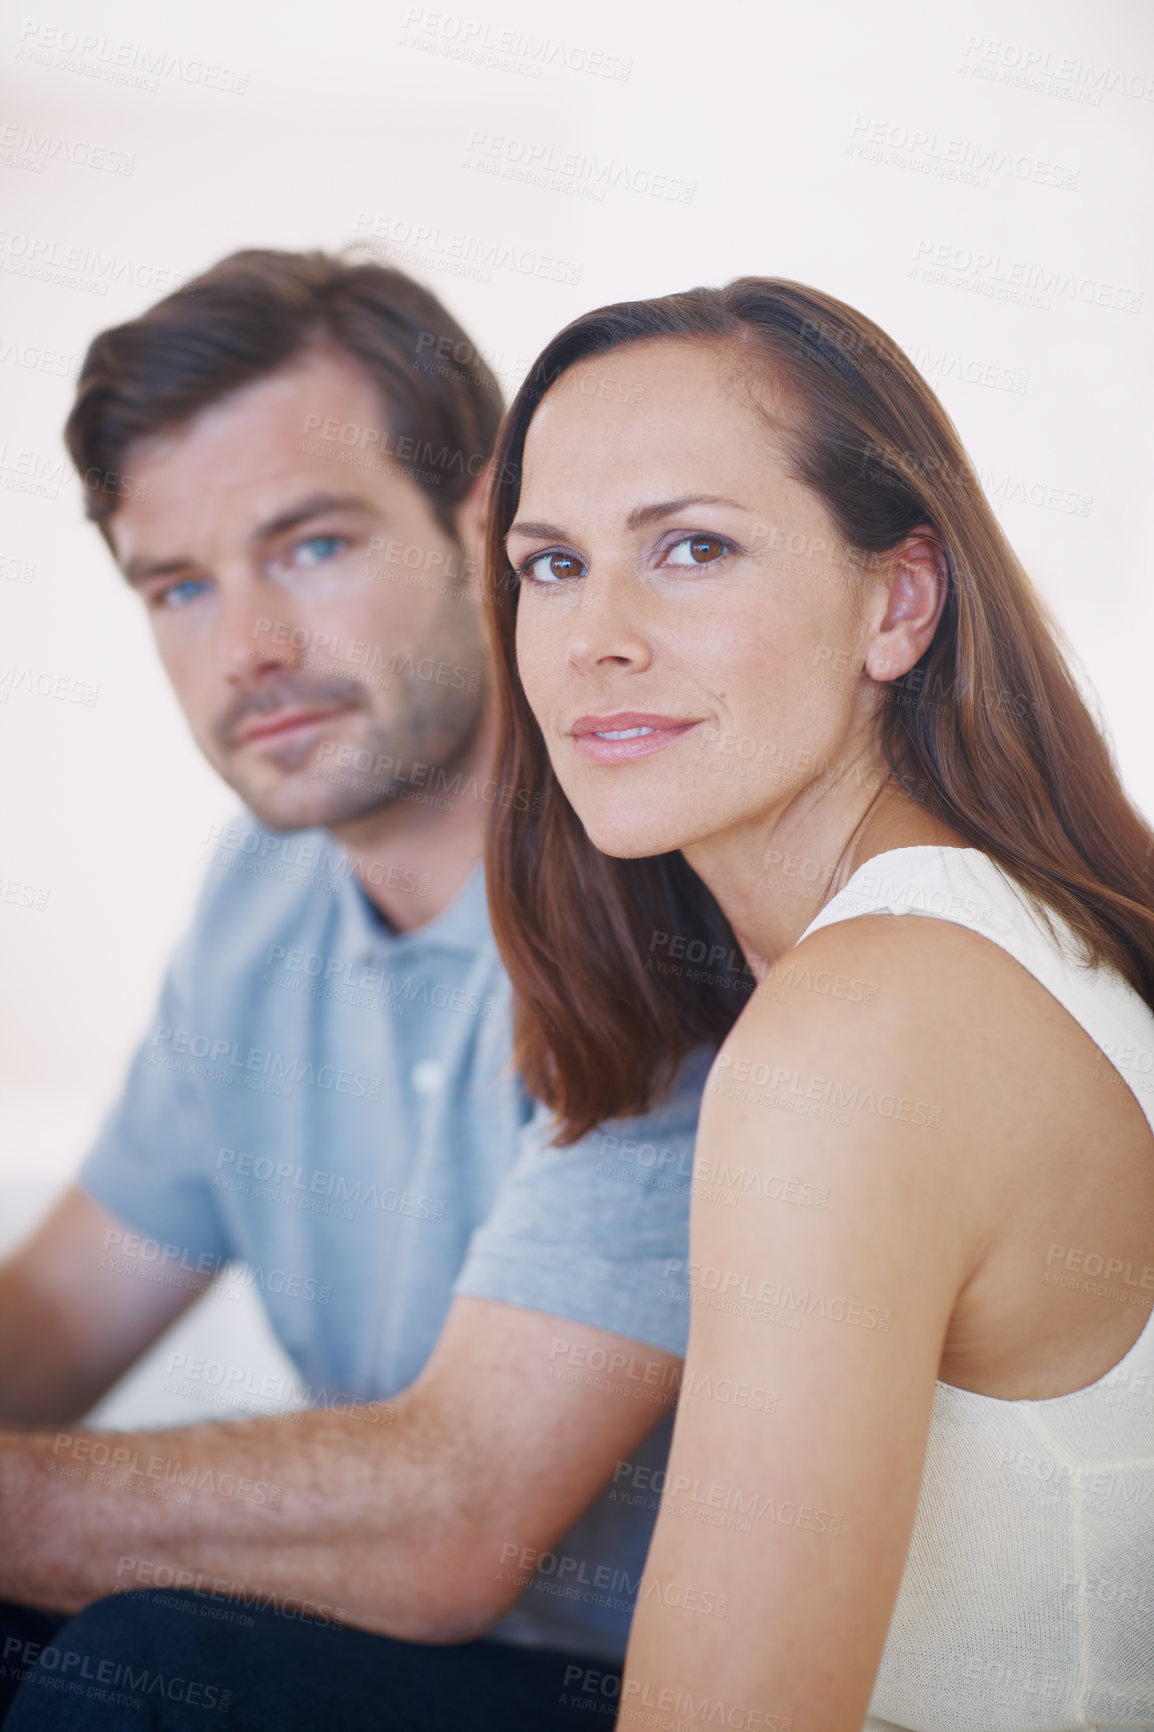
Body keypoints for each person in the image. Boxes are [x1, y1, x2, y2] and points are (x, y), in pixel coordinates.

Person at [0, 251, 714, 1729]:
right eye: (179, 585)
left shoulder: (664, 899)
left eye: (312, 545)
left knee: (154, 1681)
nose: (249, 650)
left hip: (639, 1689)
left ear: (486, 527)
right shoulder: (263, 892)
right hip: (398, 1648)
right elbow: (65, 1313)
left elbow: (455, 1520)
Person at [481, 278, 1154, 1729]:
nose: (593, 635)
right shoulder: (974, 943)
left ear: (895, 602)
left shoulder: (864, 1027)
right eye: (549, 566)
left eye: (693, 548)